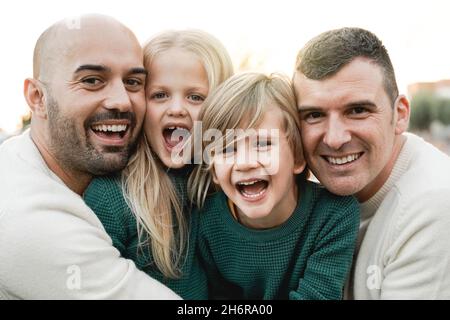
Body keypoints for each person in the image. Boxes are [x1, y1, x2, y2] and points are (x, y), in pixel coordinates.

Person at [0, 15, 180, 299]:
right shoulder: (29, 221)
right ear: (37, 97)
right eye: (92, 80)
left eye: (133, 82)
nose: (121, 101)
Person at [293, 27, 450, 299]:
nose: (335, 138)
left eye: (357, 110)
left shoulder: (434, 205)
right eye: (314, 115)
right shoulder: (301, 199)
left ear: (400, 114)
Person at [84, 29, 234, 299]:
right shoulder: (113, 198)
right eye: (160, 95)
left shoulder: (229, 188)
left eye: (195, 97)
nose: (176, 109)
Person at [189, 72, 359, 300]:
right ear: (213, 170)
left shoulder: (333, 214)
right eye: (228, 149)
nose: (246, 162)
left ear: (298, 157)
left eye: (263, 144)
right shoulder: (205, 223)